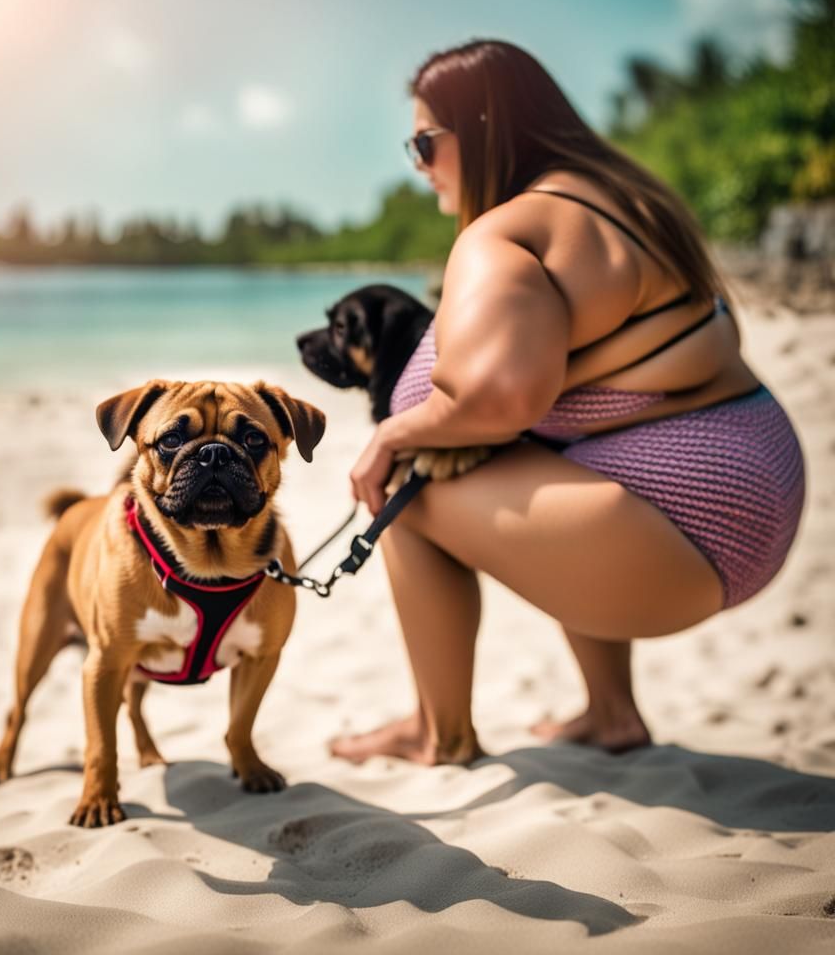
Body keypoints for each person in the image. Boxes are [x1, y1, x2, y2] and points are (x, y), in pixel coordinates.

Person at [333, 39, 806, 765]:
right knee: (555, 448)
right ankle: (610, 713)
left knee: (404, 488)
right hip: (763, 486)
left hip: (685, 535)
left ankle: (439, 733)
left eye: (426, 143)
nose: (420, 166)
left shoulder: (507, 234)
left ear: (484, 129)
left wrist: (395, 433)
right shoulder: (628, 197)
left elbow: (503, 395)